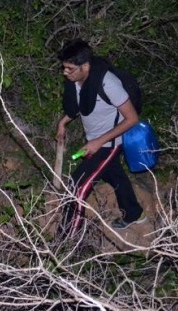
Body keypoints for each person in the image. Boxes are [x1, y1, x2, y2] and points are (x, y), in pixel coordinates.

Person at [56, 39, 145, 239]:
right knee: (113, 174)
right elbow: (80, 106)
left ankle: (67, 240)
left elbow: (132, 118)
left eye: (70, 69)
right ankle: (133, 213)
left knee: (76, 187)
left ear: (85, 66)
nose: (65, 73)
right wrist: (62, 123)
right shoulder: (78, 80)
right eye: (64, 68)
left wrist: (98, 142)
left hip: (110, 142)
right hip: (95, 139)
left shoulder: (108, 83)